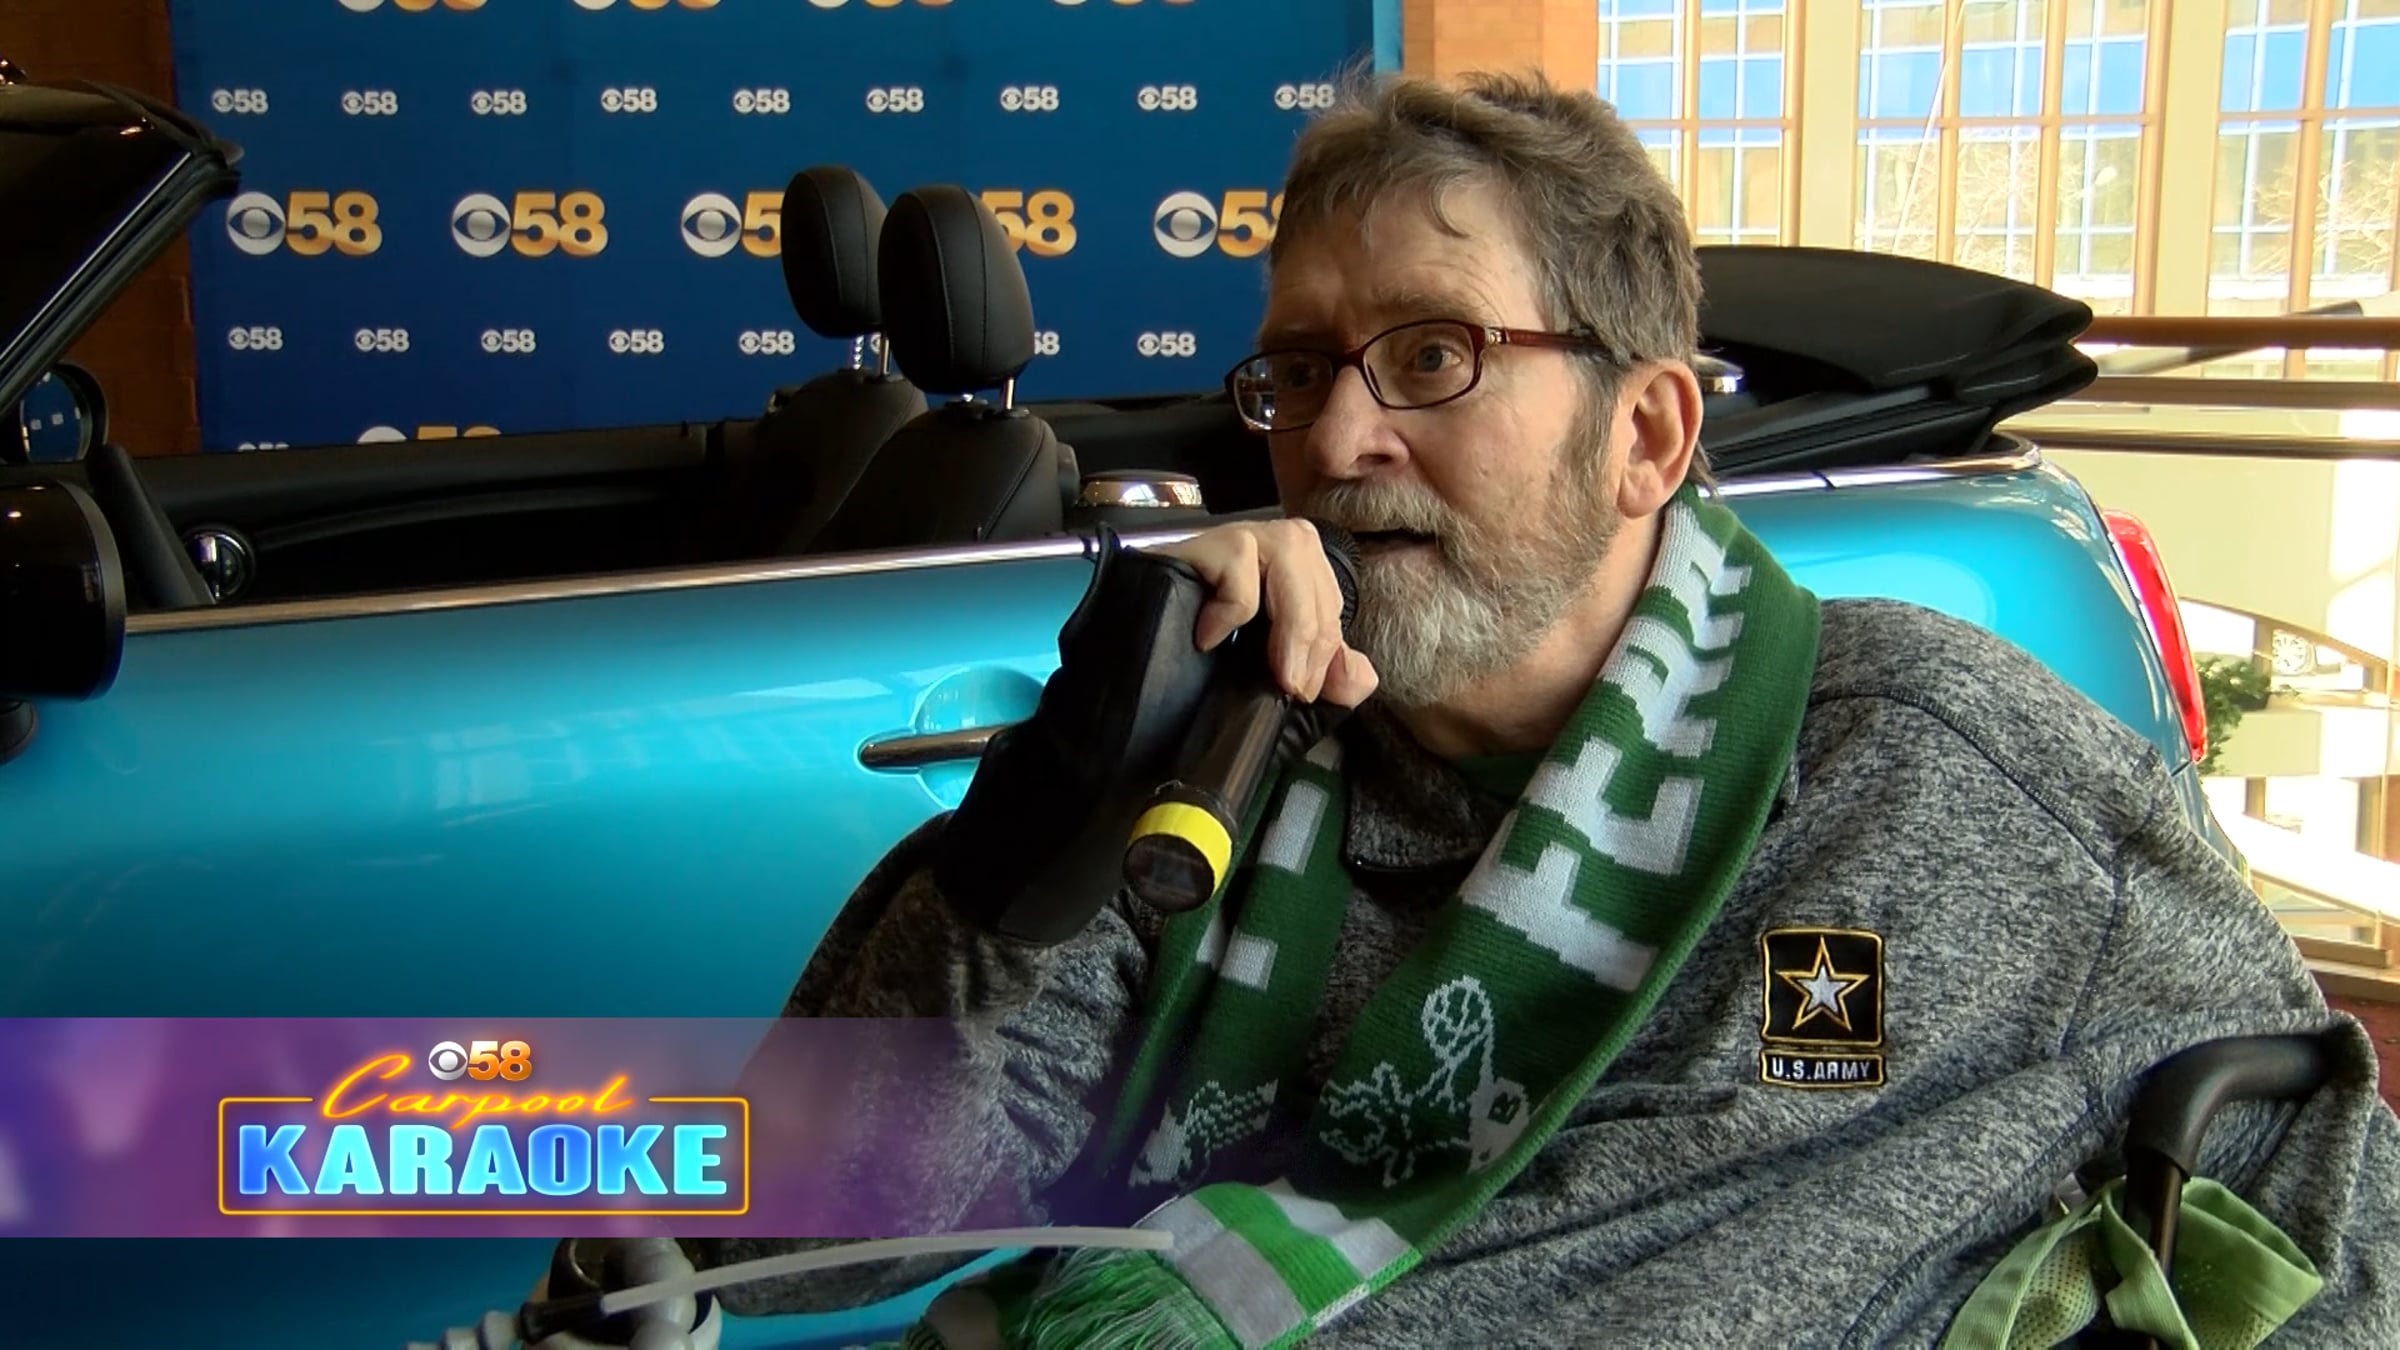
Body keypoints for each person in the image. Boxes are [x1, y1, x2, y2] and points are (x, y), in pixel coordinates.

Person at [667, 71, 2400, 1346]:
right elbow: (790, 1232)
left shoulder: (1930, 769)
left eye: (1433, 357)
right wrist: (1036, 828)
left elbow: (2320, 1187)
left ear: (1646, 435)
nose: (1336, 440)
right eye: (1297, 371)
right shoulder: (1219, 771)